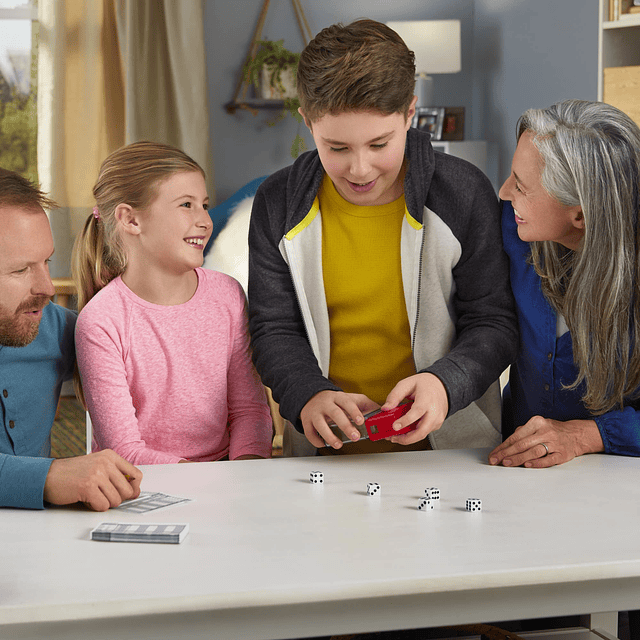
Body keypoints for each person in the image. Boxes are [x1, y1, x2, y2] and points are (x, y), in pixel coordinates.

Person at [248, 19, 518, 456]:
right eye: (337, 147)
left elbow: (494, 321)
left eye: (379, 144)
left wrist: (443, 384)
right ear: (307, 121)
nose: (359, 169)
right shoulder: (276, 203)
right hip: (320, 459)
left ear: (410, 113)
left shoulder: (463, 192)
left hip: (455, 451)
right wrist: (307, 393)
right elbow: (273, 328)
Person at [73, 141, 273, 465]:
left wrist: (243, 476)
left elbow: (250, 411)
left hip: (226, 479)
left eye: (205, 205)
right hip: (142, 485)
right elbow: (124, 450)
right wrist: (206, 485)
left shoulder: (228, 296)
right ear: (131, 220)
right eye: (186, 205)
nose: (205, 220)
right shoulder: (101, 320)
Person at [489, 99, 640, 468]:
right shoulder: (512, 228)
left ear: (581, 215)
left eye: (522, 187)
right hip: (517, 473)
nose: (505, 193)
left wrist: (587, 435)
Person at [0, 168, 142, 510]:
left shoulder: (58, 328)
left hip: (42, 543)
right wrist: (48, 478)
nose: (47, 288)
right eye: (21, 270)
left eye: (46, 262)